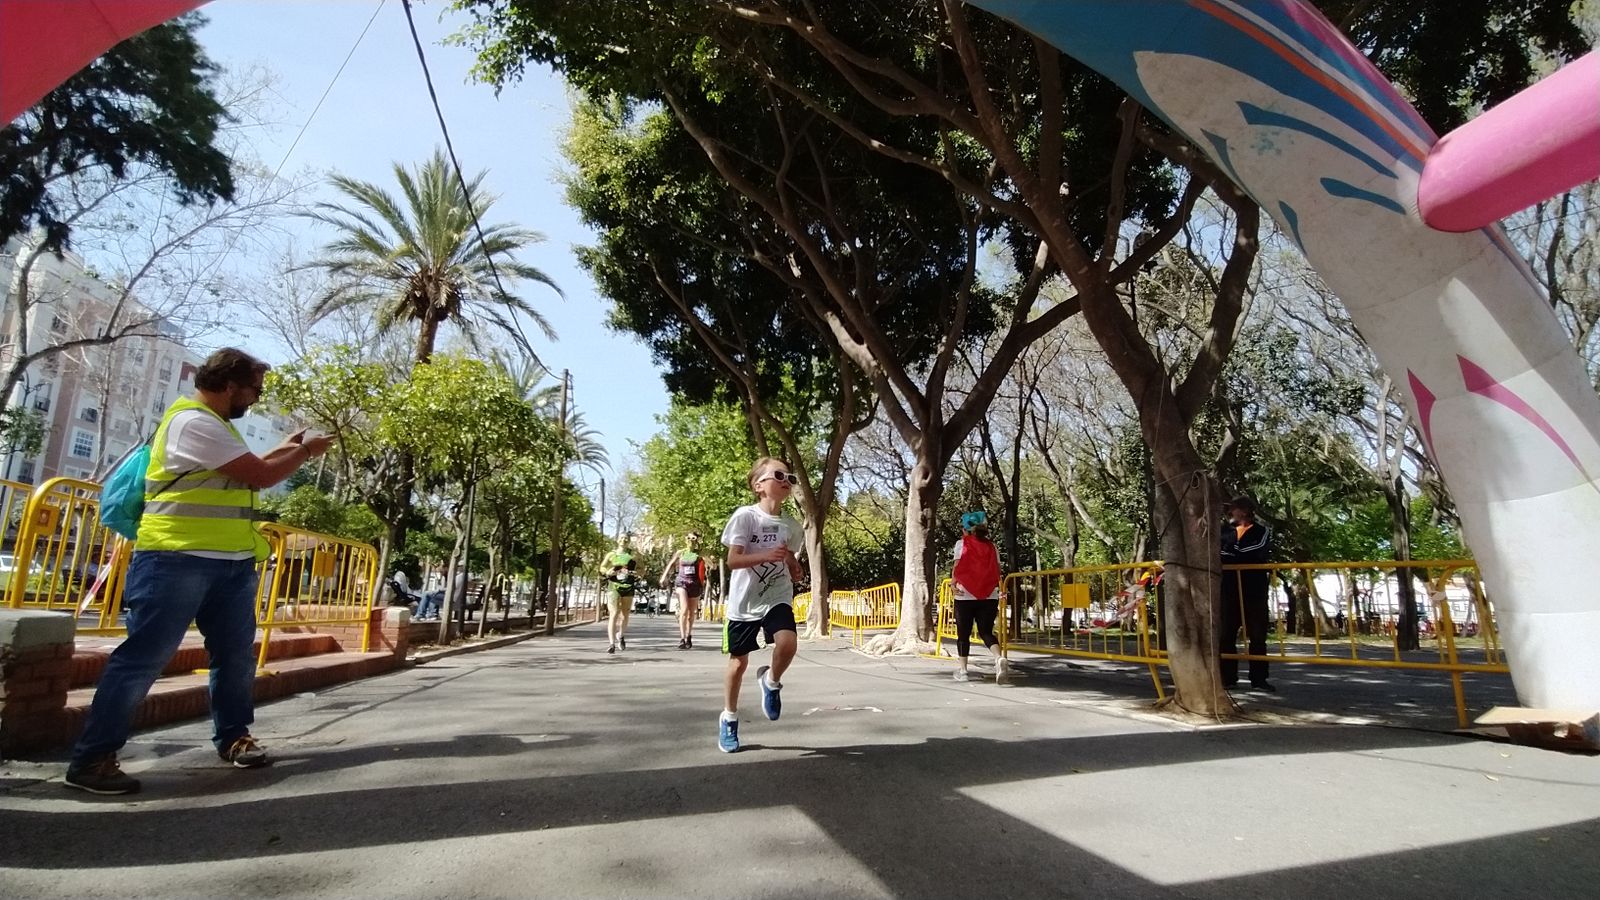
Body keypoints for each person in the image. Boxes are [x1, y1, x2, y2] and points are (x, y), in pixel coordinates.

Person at [64, 348, 333, 795]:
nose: (256, 398)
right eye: (253, 390)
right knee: (144, 659)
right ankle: (92, 759)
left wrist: (287, 447)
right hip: (176, 558)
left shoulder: (216, 426)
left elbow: (243, 473)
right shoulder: (193, 422)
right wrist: (305, 451)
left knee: (235, 657)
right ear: (229, 385)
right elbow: (260, 476)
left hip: (229, 562)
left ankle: (234, 737)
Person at [717, 457, 804, 753]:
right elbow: (733, 560)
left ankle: (771, 681)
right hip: (744, 602)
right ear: (758, 486)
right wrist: (766, 555)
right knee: (738, 664)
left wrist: (793, 566)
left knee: (788, 643)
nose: (786, 481)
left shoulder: (791, 525)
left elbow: (788, 554)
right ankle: (729, 717)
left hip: (776, 595)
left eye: (790, 477)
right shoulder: (746, 517)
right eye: (778, 475)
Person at [1220, 495, 1274, 692]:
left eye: (1233, 508)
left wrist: (1232, 553)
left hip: (1254, 590)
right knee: (1226, 634)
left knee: (1257, 635)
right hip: (1229, 589)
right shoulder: (1224, 531)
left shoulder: (1262, 531)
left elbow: (1255, 551)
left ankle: (1259, 679)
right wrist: (1231, 554)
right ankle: (1227, 678)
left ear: (1243, 511)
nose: (1229, 512)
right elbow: (1219, 552)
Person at [950, 511, 1010, 683]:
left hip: (964, 595)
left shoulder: (961, 544)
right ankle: (998, 658)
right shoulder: (992, 547)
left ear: (965, 529)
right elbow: (997, 569)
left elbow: (957, 566)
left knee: (963, 634)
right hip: (989, 595)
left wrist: (953, 584)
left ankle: (963, 671)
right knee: (986, 631)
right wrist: (1000, 589)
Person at [661, 532, 709, 650]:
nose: (690, 540)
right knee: (684, 610)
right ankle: (682, 638)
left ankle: (689, 635)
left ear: (696, 540)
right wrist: (664, 577)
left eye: (693, 538)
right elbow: (671, 564)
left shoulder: (699, 554)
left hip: (695, 584)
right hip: (681, 582)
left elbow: (712, 566)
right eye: (688, 537)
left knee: (691, 613)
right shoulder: (680, 553)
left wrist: (706, 559)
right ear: (685, 540)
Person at [605, 557, 638, 653]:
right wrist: (610, 572)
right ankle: (612, 644)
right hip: (613, 588)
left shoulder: (634, 559)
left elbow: (641, 571)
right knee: (614, 613)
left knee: (625, 614)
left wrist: (634, 573)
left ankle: (620, 635)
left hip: (628, 588)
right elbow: (604, 569)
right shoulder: (613, 557)